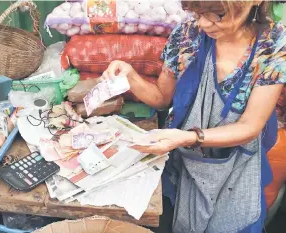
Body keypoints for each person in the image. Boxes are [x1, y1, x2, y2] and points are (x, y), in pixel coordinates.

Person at [102, 1, 286, 232]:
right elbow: (161, 97)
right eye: (198, 13)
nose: (203, 23)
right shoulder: (188, 35)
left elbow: (250, 126)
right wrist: (130, 76)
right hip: (185, 163)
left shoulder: (272, 43)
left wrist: (189, 137)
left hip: (236, 168)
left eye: (218, 14)